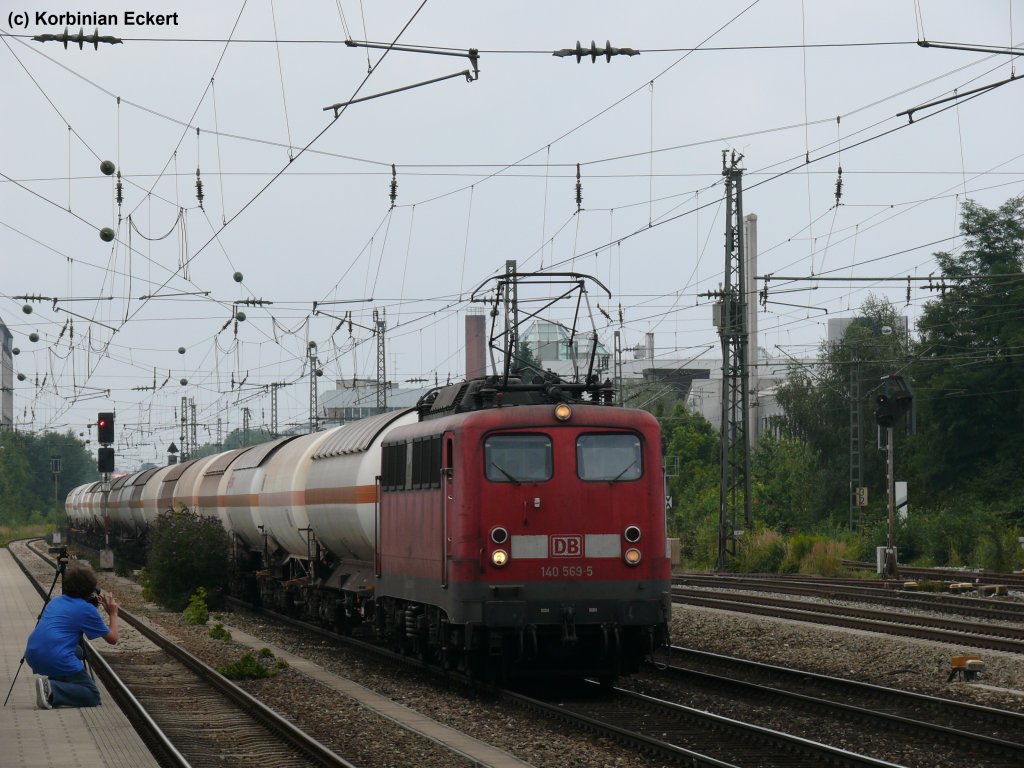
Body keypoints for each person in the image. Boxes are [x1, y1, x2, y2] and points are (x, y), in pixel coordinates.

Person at [24, 561, 119, 709]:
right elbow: (113, 639)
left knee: (78, 651)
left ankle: (56, 681)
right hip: (54, 656)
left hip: (33, 653)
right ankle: (51, 688)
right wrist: (113, 613)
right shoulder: (87, 609)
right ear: (90, 589)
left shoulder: (55, 601)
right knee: (92, 695)